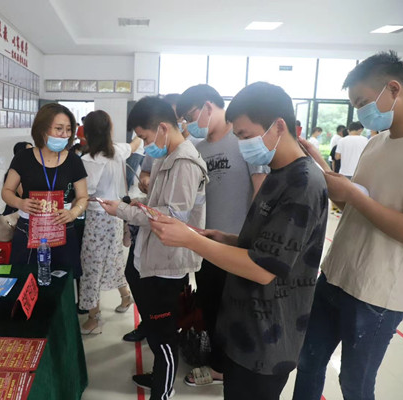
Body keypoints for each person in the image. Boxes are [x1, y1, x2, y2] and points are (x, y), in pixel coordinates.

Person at [150, 82, 328, 400]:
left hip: (267, 338)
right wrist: (228, 239)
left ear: (278, 126)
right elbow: (268, 242)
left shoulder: (303, 183)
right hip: (245, 326)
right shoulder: (279, 172)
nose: (243, 144)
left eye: (245, 135)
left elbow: (264, 268)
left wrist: (191, 240)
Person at [293, 50, 403, 400]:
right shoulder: (376, 143)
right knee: (308, 361)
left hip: (377, 293)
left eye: (362, 102)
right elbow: (357, 205)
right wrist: (328, 177)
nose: (360, 112)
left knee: (355, 384)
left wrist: (353, 196)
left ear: (393, 89)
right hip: (336, 274)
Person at [101, 96, 208, 400]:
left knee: (163, 337)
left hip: (167, 263)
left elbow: (173, 217)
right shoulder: (167, 157)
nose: (146, 145)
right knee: (155, 329)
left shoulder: (184, 162)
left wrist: (124, 211)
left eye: (145, 137)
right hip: (150, 256)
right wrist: (135, 203)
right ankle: (160, 374)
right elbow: (158, 204)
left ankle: (163, 390)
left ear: (162, 127)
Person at [174, 83, 269, 386]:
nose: (190, 124)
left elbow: (260, 190)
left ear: (207, 106)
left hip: (238, 245)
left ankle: (229, 368)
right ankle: (219, 365)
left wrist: (251, 239)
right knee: (210, 304)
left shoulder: (244, 140)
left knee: (237, 311)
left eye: (191, 116)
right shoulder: (197, 148)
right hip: (207, 244)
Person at [2, 103, 88, 278]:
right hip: (29, 231)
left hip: (62, 229)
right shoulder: (23, 158)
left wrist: (73, 213)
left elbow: (83, 197)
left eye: (68, 130)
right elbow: (7, 191)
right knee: (26, 279)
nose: (65, 135)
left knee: (62, 282)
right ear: (42, 129)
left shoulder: (73, 161)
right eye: (59, 129)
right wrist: (20, 203)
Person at [78, 110, 141, 334]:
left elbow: (86, 193)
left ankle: (94, 318)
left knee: (91, 266)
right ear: (109, 129)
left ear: (87, 132)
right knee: (113, 259)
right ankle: (126, 297)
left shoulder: (89, 160)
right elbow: (135, 144)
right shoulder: (118, 151)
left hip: (98, 217)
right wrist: (140, 132)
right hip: (117, 214)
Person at [3, 141, 33, 215]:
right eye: (28, 151)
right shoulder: (16, 172)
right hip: (14, 213)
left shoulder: (30, 169)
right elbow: (23, 194)